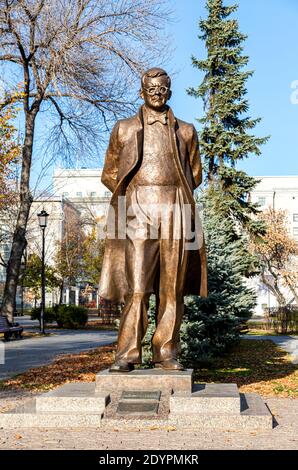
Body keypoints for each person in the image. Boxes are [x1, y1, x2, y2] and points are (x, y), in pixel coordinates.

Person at [99, 67, 207, 372]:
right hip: (138, 211)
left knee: (171, 288)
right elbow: (109, 174)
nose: (157, 94)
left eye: (162, 89)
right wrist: (136, 196)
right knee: (137, 287)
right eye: (151, 89)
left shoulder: (186, 131)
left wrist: (171, 197)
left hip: (175, 209)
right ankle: (127, 354)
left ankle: (167, 352)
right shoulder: (124, 128)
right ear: (142, 92)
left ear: (169, 92)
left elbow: (195, 174)